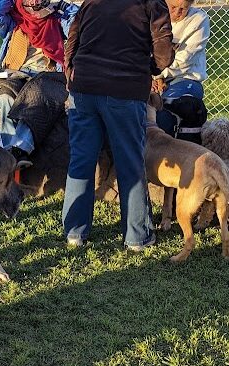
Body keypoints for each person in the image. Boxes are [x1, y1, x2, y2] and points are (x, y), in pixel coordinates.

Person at [62, 0, 173, 250]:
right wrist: (146, 67)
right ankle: (137, 236)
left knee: (81, 159)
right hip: (126, 88)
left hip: (84, 86)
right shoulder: (152, 3)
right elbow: (163, 53)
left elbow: (73, 38)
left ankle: (74, 232)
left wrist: (72, 70)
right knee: (130, 161)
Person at [0, 0, 78, 160]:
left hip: (47, 75)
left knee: (38, 94)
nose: (34, 3)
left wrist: (64, 6)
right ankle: (8, 153)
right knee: (4, 96)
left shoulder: (56, 20)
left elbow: (79, 23)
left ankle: (21, 148)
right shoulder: (13, 22)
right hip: (16, 73)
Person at [152, 0, 210, 140]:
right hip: (151, 74)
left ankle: (172, 153)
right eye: (172, 7)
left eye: (183, 8)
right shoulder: (152, 15)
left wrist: (155, 75)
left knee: (165, 114)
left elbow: (183, 61)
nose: (177, 13)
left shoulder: (198, 20)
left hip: (185, 77)